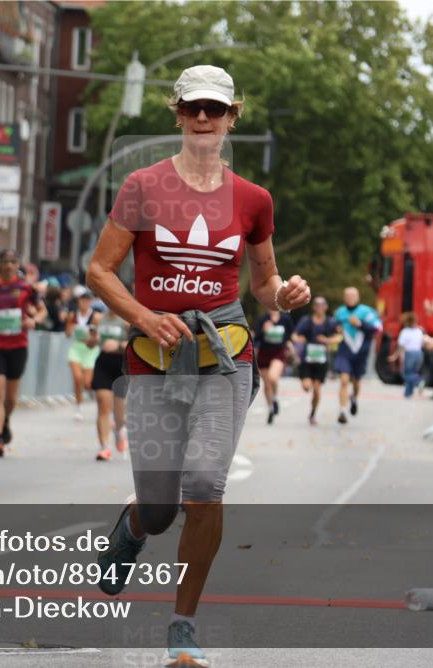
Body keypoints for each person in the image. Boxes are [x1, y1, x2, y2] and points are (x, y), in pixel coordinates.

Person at [85, 65, 311, 665]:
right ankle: (132, 530)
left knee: (206, 486)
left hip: (225, 355)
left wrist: (284, 295)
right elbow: (100, 270)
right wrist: (142, 316)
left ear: (234, 114)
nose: (204, 119)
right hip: (154, 359)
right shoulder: (141, 186)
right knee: (160, 510)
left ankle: (182, 625)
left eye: (215, 109)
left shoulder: (253, 200)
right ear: (177, 114)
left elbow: (264, 280)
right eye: (193, 109)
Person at [0, 248, 43, 457]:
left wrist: (33, 320)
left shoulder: (26, 288)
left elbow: (42, 310)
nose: (9, 265)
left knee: (11, 398)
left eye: (13, 262)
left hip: (18, 345)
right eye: (6, 261)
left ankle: (5, 420)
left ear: (17, 265)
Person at [332, 286, 382, 425]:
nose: (350, 298)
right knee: (344, 380)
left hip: (361, 352)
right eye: (348, 296)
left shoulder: (367, 312)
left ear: (358, 297)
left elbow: (378, 329)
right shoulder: (340, 312)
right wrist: (336, 328)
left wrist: (360, 324)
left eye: (353, 296)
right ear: (344, 298)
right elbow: (332, 326)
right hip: (345, 351)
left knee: (356, 381)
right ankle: (343, 411)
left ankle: (354, 398)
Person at [90, 308, 129, 461]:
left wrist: (118, 345)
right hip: (103, 363)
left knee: (119, 409)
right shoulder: (98, 319)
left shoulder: (126, 320)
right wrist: (91, 340)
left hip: (121, 365)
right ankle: (104, 447)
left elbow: (135, 344)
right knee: (102, 403)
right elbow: (91, 343)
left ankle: (119, 431)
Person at [292, 296, 338, 425]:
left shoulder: (330, 322)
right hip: (307, 359)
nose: (319, 307)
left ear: (326, 307)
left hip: (321, 361)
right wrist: (298, 339)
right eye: (317, 305)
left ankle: (312, 413)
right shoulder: (306, 321)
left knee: (317, 390)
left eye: (322, 305)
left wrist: (327, 341)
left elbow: (339, 337)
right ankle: (306, 383)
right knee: (307, 387)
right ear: (313, 307)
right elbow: (294, 334)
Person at [253, 308, 295, 424]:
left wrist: (290, 345)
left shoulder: (285, 319)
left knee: (273, 378)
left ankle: (275, 397)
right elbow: (256, 339)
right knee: (266, 385)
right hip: (264, 354)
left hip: (279, 353)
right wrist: (263, 330)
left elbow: (290, 336)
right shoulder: (263, 319)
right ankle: (270, 408)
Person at [66, 289, 101, 421]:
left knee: (87, 383)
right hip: (76, 349)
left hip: (90, 350)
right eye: (82, 300)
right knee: (77, 378)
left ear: (91, 302)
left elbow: (97, 336)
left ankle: (95, 398)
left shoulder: (96, 317)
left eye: (87, 300)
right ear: (78, 301)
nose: (85, 303)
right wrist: (72, 327)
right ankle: (79, 408)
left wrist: (91, 336)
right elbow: (68, 334)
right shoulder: (72, 315)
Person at [392, 311, 424, 398]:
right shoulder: (419, 331)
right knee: (413, 372)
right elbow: (422, 343)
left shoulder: (405, 332)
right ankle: (408, 392)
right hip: (419, 353)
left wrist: (395, 356)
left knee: (406, 374)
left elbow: (401, 346)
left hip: (410, 353)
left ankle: (419, 380)